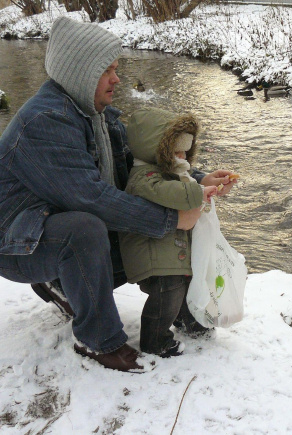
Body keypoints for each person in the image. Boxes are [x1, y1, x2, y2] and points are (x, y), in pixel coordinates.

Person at [0, 17, 236, 372]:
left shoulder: (98, 114)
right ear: (79, 73)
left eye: (116, 68)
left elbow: (136, 165)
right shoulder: (45, 121)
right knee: (85, 231)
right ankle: (98, 340)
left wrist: (197, 181)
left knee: (137, 242)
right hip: (17, 241)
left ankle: (60, 282)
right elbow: (89, 198)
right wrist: (172, 218)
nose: (117, 79)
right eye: (107, 70)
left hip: (47, 224)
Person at [119, 107, 237, 357]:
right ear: (157, 148)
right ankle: (154, 339)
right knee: (168, 294)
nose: (183, 156)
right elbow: (170, 192)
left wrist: (206, 182)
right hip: (153, 254)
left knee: (186, 285)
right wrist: (198, 192)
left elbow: (186, 181)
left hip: (170, 252)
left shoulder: (169, 170)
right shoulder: (143, 177)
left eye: (186, 150)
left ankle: (190, 321)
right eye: (177, 151)